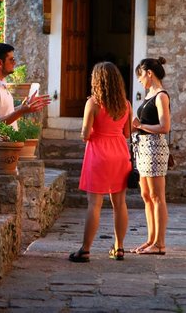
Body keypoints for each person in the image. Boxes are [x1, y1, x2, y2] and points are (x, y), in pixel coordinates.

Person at [69, 62, 132, 263]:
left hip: (99, 155)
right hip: (120, 154)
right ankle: (119, 248)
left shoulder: (93, 103)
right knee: (120, 203)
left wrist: (89, 131)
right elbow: (127, 133)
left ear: (97, 81)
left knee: (94, 204)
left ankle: (86, 249)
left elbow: (85, 135)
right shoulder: (126, 104)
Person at [0, 43, 51, 173]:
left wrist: (22, 107)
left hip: (5, 154)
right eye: (11, 59)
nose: (14, 63)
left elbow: (3, 114)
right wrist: (22, 111)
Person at [130, 57, 171, 256]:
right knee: (146, 196)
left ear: (149, 73)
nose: (139, 80)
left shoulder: (161, 96)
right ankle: (150, 239)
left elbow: (165, 127)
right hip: (143, 148)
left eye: (140, 76)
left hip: (155, 148)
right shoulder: (149, 95)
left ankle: (160, 243)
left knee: (157, 196)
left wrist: (140, 126)